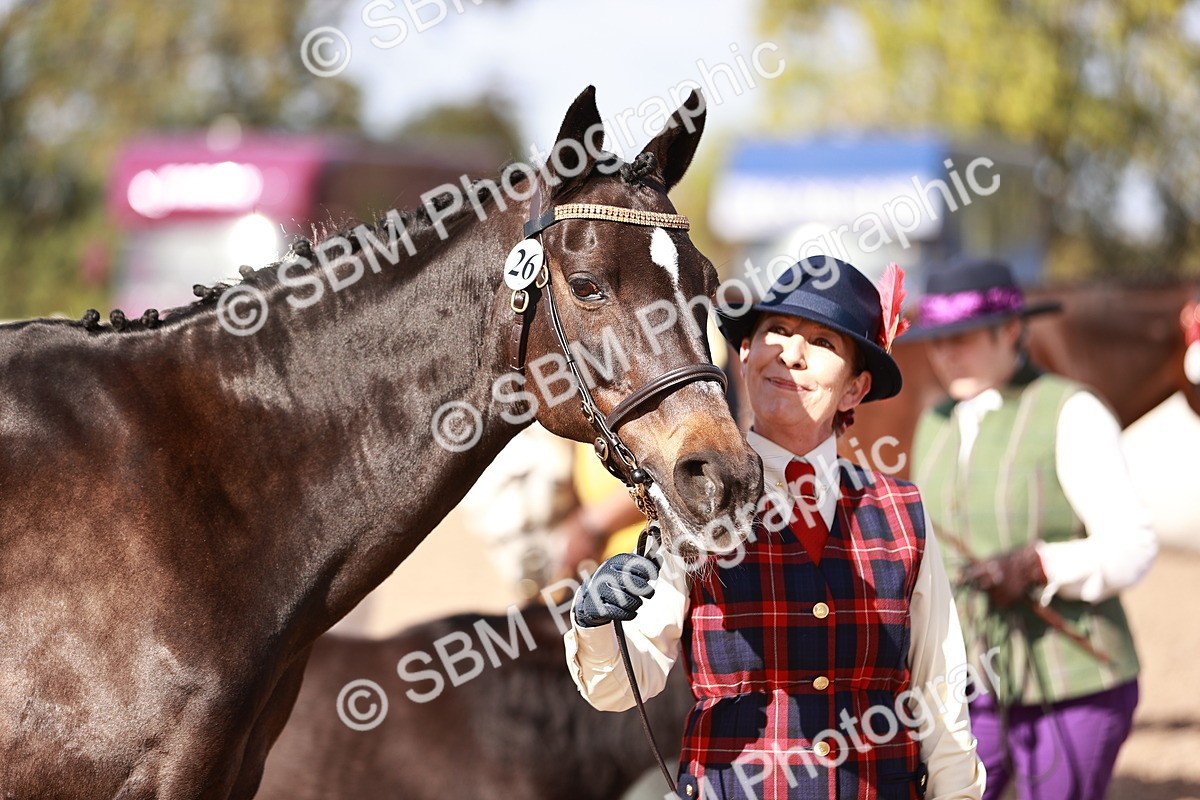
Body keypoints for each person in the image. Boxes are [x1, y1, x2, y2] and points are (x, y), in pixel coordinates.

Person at [565, 256, 985, 800]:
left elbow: (940, 695)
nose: (791, 353)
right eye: (777, 332)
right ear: (743, 355)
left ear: (855, 390)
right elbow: (622, 687)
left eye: (823, 343)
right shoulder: (692, 507)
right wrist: (597, 623)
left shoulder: (904, 510)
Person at [907, 258, 1157, 800]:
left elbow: (1134, 545)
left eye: (965, 337)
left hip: (1076, 680)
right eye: (938, 340)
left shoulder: (1072, 411)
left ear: (1012, 329)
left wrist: (1040, 564)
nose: (947, 354)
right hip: (969, 683)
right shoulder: (934, 422)